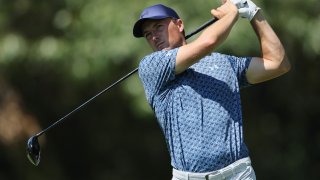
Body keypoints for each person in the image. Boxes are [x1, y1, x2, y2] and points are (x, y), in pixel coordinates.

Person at [133, 0, 290, 179]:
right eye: (148, 34)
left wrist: (254, 14)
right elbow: (208, 42)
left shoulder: (225, 63)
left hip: (238, 174)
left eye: (158, 27)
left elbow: (278, 63)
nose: (154, 37)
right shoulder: (151, 67)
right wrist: (232, 13)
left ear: (179, 25)